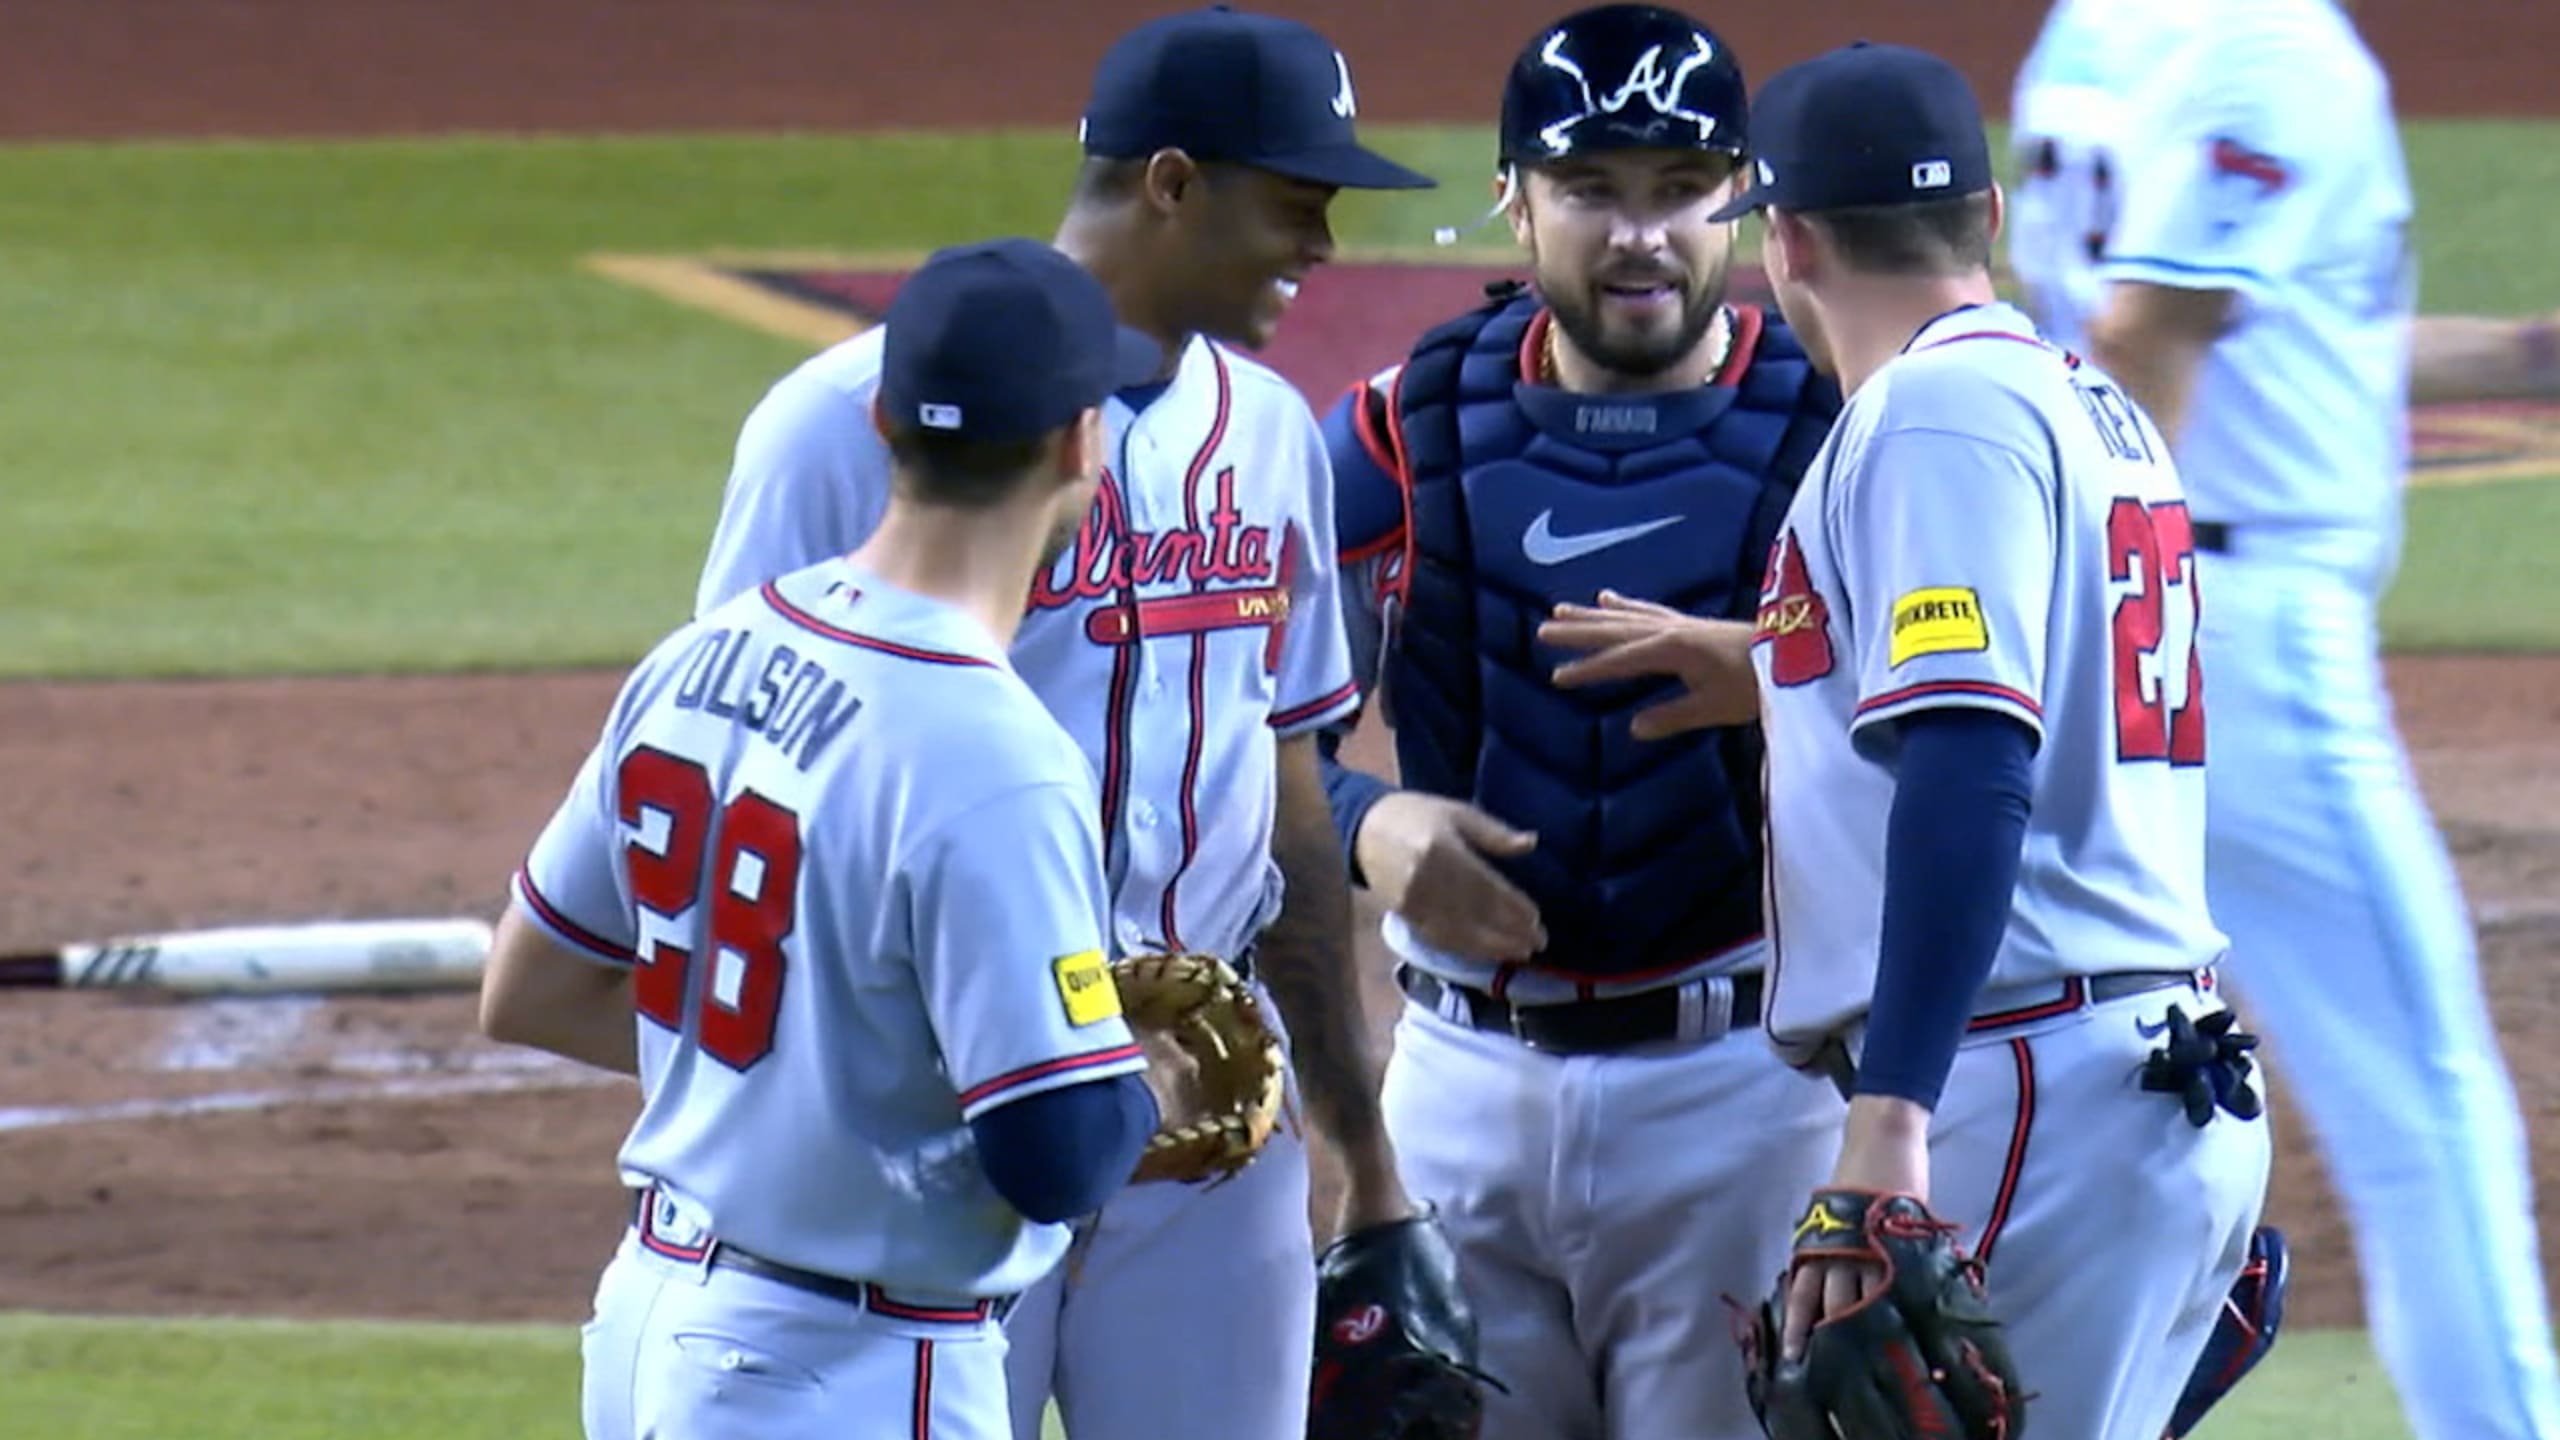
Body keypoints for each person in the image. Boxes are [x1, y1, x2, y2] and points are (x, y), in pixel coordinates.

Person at [684, 9, 1449, 1439]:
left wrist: (1361, 1151)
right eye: (1297, 201)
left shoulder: (1271, 431)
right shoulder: (838, 426)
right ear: (1173, 183)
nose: (1324, 244)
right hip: (945, 1102)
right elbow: (744, 765)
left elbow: (1285, 791)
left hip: (1215, 1113)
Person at [1555, 40, 2274, 1439]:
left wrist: (1888, 1120)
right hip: (2136, 1065)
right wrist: (1786, 673)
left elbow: (1972, 763)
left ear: (1788, 239)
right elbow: (2046, 688)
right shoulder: (2092, 404)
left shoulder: (1930, 412)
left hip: (2021, 1078)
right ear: (1985, 219)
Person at [477, 238, 1172, 1439]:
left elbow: (532, 989)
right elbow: (1057, 1154)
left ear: (881, 419)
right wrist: (1145, 1083)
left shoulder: (702, 654)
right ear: (1082, 445)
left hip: (646, 1324)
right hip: (843, 1371)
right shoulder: (993, 752)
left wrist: (806, 1096)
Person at [2007, 5, 2560, 1436]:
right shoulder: (2273, 52)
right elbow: (2144, 336)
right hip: (2217, 630)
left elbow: (2277, 330)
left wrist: (2528, 352)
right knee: (2425, 1111)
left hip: (2135, 605)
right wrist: (2099, 597)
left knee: (2060, 1069)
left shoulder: (2099, 27)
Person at [1309, 8, 1848, 1437]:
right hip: (1461, 1089)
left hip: (1748, 1088)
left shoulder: (1848, 431)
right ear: (1515, 199)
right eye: (1592, 188)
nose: (1641, 235)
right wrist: (1366, 824)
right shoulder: (1406, 430)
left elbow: (2005, 720)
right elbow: (1226, 730)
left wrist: (1786, 670)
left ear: (1744, 196)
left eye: (1682, 188)